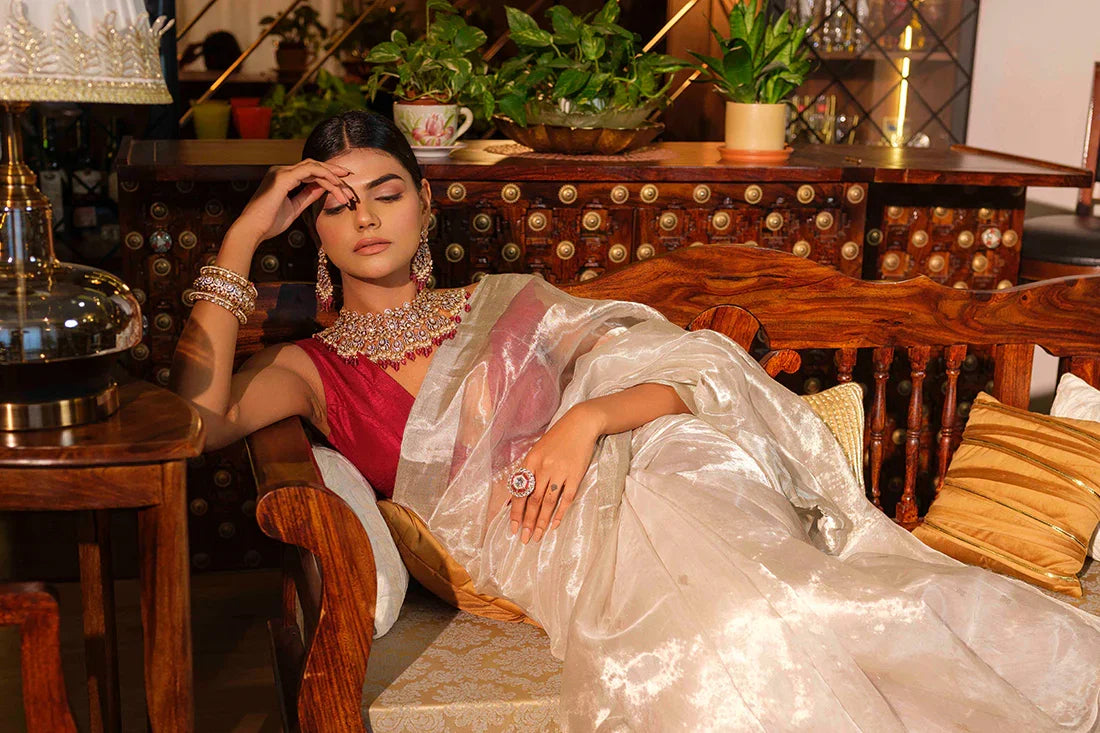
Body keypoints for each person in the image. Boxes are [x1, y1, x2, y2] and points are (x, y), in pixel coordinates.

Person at [171, 110, 1100, 731]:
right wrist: (242, 238)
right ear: (315, 233)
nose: (366, 218)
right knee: (750, 619)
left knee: (785, 595)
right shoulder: (312, 371)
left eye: (387, 192)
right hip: (549, 550)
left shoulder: (507, 299)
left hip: (657, 469)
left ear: (425, 206)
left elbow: (689, 374)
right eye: (336, 206)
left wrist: (588, 422)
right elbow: (197, 423)